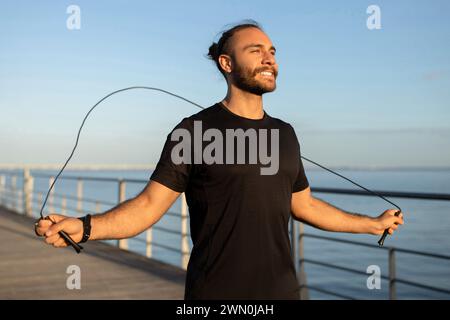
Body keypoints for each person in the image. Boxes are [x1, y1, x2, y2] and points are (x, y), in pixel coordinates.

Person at [35, 20, 404, 300]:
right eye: (256, 50)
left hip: (284, 292)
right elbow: (147, 207)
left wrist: (371, 224)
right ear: (226, 63)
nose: (269, 58)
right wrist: (84, 228)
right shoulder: (193, 131)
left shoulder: (285, 134)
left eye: (273, 51)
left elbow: (304, 205)